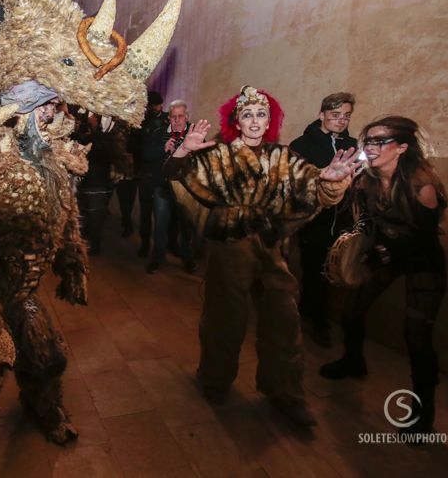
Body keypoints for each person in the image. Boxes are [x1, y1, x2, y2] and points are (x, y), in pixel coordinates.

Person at [165, 85, 361, 426]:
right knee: (224, 318)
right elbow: (175, 180)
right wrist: (183, 151)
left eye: (261, 114)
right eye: (247, 114)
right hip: (227, 247)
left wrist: (331, 181)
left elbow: (315, 189)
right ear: (236, 121)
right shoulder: (218, 155)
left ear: (269, 120)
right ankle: (215, 380)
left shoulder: (283, 157)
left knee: (284, 319)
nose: (255, 120)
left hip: (272, 248)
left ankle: (285, 392)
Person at [320, 116, 447, 436]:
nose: (370, 147)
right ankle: (353, 361)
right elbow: (365, 221)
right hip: (383, 254)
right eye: (369, 141)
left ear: (402, 148)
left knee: (416, 336)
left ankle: (423, 412)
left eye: (380, 141)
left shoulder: (422, 185)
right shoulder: (366, 180)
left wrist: (381, 252)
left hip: (422, 261)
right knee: (350, 310)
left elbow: (422, 240)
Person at [290, 92, 357, 347]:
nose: (341, 121)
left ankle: (311, 312)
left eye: (346, 116)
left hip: (343, 220)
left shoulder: (351, 144)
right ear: (322, 115)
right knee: (314, 269)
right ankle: (319, 323)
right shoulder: (302, 144)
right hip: (313, 219)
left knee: (334, 272)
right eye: (335, 116)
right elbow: (296, 183)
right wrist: (324, 178)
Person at [143, 99, 195, 274]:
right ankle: (157, 259)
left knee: (186, 228)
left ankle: (188, 260)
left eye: (180, 116)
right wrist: (162, 148)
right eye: (173, 117)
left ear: (187, 117)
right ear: (169, 118)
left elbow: (204, 161)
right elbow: (146, 155)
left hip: (186, 190)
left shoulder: (194, 135)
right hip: (163, 188)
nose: (177, 120)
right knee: (160, 226)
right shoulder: (159, 132)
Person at [75, 112, 116, 255]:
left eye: (92, 116)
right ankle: (83, 243)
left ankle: (95, 246)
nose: (89, 118)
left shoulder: (107, 137)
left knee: (96, 218)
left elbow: (103, 152)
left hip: (98, 184)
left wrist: (97, 134)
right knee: (83, 216)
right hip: (85, 183)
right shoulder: (86, 133)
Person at [137, 91, 167, 258]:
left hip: (161, 175)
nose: (149, 108)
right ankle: (144, 244)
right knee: (145, 214)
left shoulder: (168, 120)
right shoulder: (142, 122)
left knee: (162, 217)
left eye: (151, 105)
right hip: (145, 174)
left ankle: (161, 248)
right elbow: (137, 149)